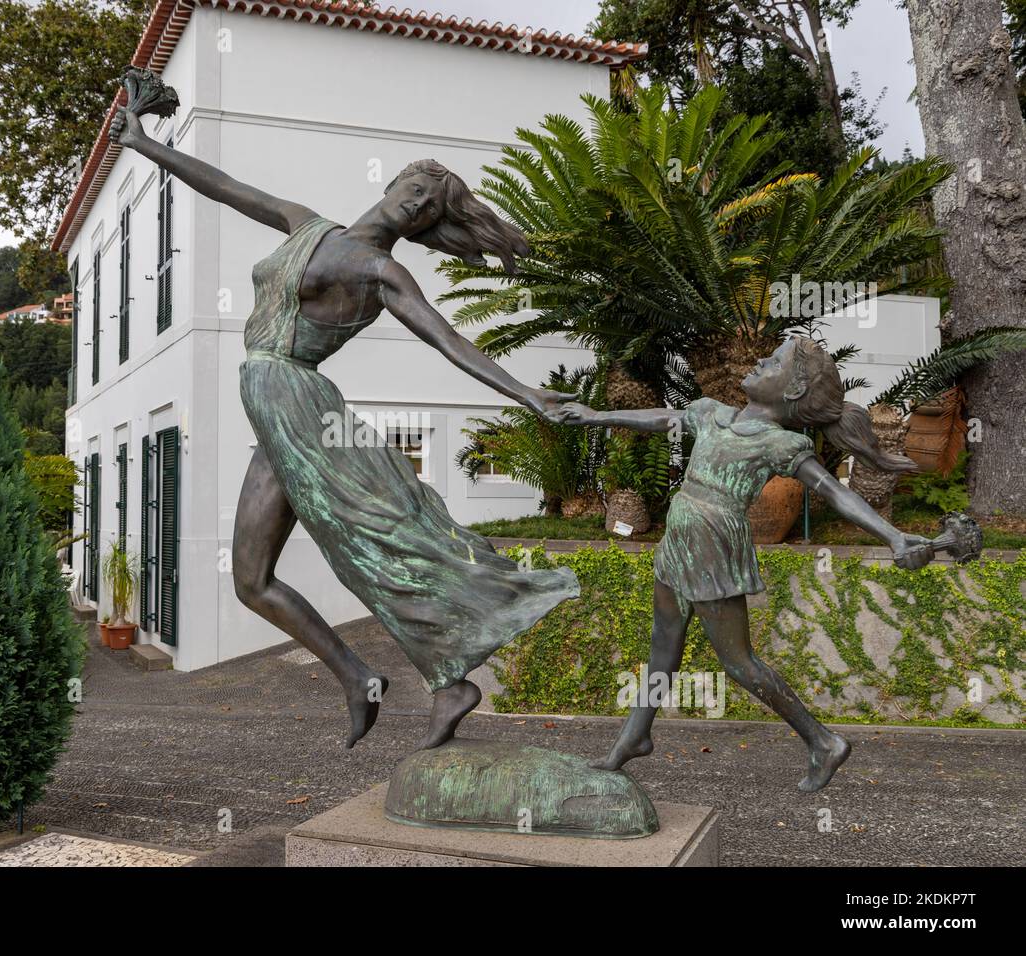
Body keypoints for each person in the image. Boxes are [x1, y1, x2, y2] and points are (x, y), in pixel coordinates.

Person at [110, 107, 580, 752]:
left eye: (429, 206)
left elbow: (450, 343)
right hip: (271, 402)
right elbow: (224, 185)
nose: (415, 204)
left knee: (365, 543)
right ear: (392, 185)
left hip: (297, 399)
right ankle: (359, 677)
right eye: (415, 188)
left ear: (429, 226)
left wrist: (525, 392)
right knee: (252, 581)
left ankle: (449, 676)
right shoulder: (305, 224)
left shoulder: (382, 272)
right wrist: (145, 145)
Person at [555, 337, 935, 791]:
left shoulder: (780, 443)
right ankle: (634, 737)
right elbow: (663, 418)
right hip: (680, 538)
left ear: (792, 391)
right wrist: (597, 415)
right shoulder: (712, 412)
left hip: (713, 546)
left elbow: (835, 493)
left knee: (739, 664)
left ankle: (823, 741)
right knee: (662, 646)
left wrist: (893, 536)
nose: (759, 360)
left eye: (773, 361)